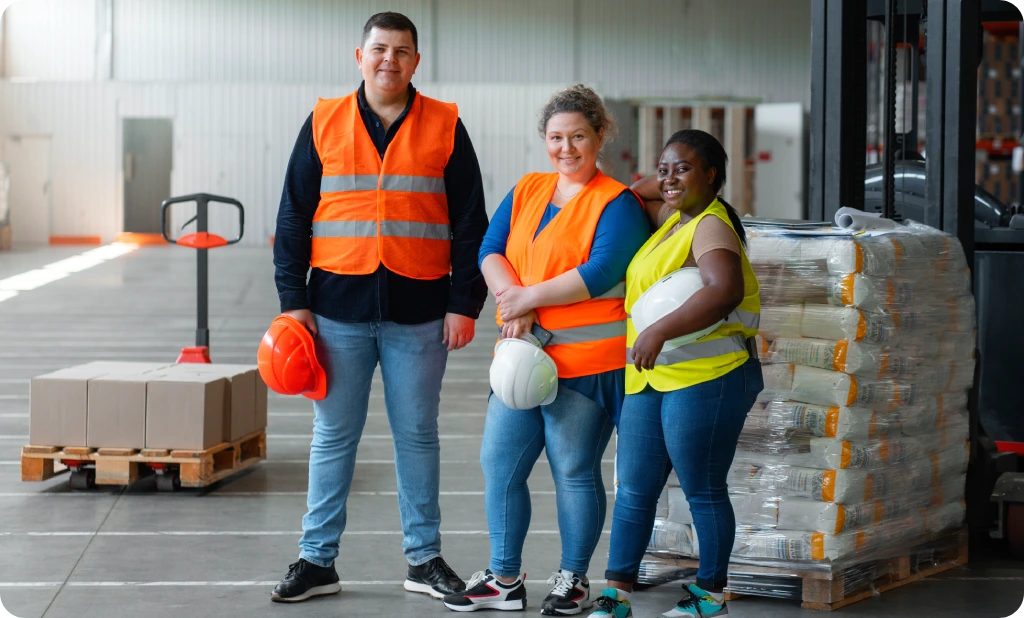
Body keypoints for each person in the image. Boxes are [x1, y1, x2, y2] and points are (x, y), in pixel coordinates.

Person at [270, 11, 489, 604]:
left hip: (420, 310)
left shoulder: (445, 124)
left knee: (417, 435)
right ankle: (317, 561)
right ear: (359, 55)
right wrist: (293, 302)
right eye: (379, 49)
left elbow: (472, 222)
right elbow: (293, 215)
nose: (389, 59)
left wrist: (463, 302)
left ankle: (423, 560)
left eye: (402, 51)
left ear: (416, 61)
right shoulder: (323, 121)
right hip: (336, 308)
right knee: (333, 436)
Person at [442, 84, 649, 615]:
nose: (566, 148)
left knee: (573, 469)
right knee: (500, 465)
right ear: (544, 139)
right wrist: (515, 301)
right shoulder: (528, 188)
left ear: (601, 135)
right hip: (519, 358)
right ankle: (504, 577)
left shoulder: (616, 202)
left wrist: (526, 297)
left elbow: (600, 271)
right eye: (556, 137)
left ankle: (572, 579)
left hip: (585, 366)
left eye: (578, 136)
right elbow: (490, 249)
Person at [590, 130, 763, 618]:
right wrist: (670, 177)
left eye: (684, 168)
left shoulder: (711, 224)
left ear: (712, 175)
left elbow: (724, 288)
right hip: (652, 379)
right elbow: (637, 191)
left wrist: (658, 330)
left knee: (703, 488)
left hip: (709, 376)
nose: (667, 178)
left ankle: (710, 598)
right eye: (663, 167)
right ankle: (616, 594)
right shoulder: (672, 219)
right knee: (636, 488)